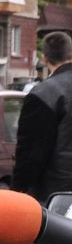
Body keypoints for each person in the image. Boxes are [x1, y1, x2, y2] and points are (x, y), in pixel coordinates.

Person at [13, 31, 72, 201]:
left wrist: (18, 189)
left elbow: (30, 150)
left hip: (56, 194)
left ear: (45, 58)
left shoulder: (45, 93)